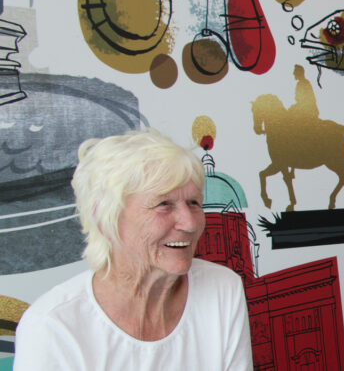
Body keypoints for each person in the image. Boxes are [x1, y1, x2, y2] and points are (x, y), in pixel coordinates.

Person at [14, 129, 253, 370]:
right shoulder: (52, 326)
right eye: (163, 204)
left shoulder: (222, 289)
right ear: (106, 219)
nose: (190, 224)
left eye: (193, 203)